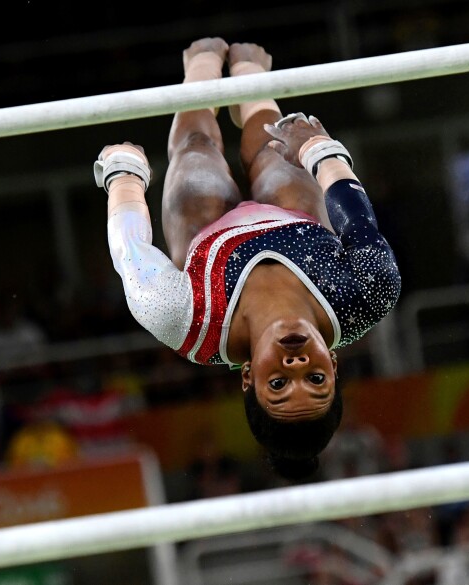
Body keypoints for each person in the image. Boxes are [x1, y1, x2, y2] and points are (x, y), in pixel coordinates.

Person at [93, 38, 401, 480]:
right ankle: (251, 81)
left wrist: (123, 179)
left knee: (197, 153)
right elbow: (356, 218)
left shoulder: (189, 322)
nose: (296, 367)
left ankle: (199, 68)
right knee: (274, 154)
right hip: (293, 214)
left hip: (207, 228)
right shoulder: (366, 297)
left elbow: (133, 256)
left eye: (277, 385)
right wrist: (316, 150)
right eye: (316, 381)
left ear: (247, 378)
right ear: (333, 364)